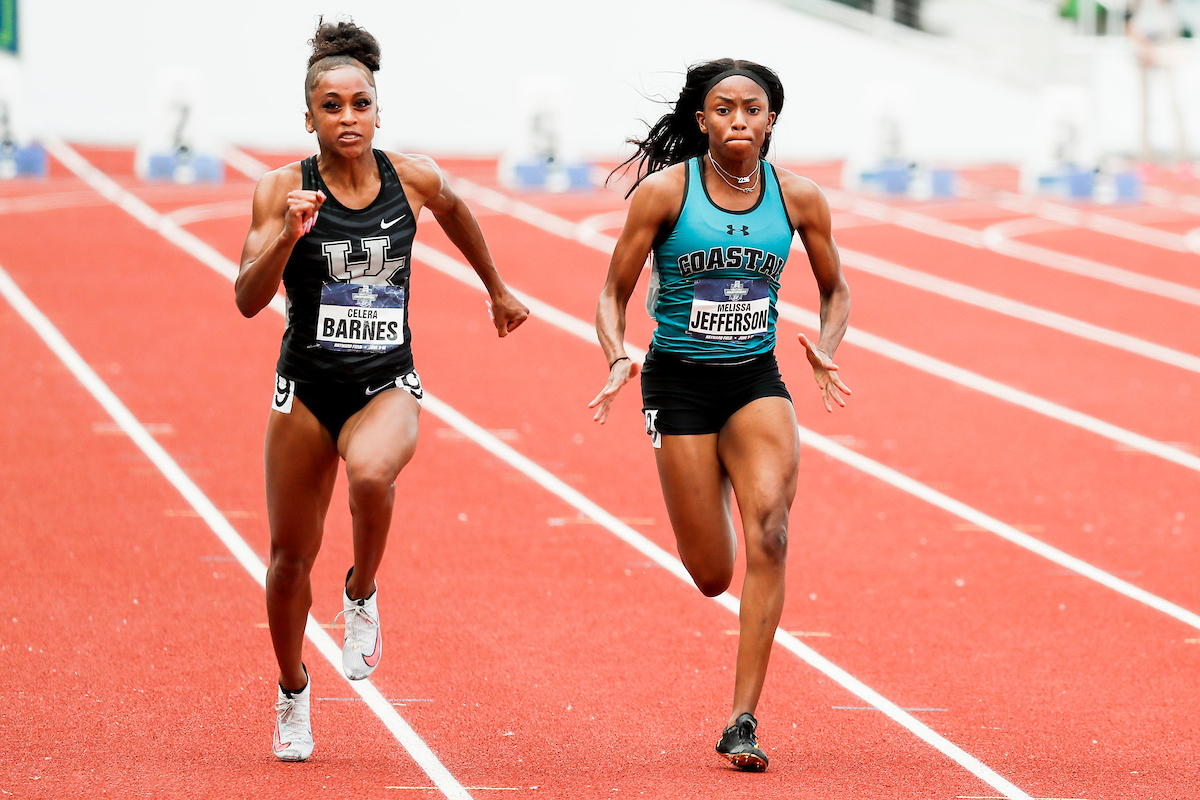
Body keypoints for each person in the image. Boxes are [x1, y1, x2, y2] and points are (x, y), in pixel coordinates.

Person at [235, 18, 528, 762]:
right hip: (303, 389)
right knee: (285, 563)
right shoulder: (282, 189)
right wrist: (284, 238)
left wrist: (495, 288)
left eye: (359, 104)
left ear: (377, 108)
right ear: (309, 118)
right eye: (330, 107)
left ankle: (362, 590)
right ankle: (293, 690)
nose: (347, 118)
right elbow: (245, 297)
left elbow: (457, 212)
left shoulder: (413, 178)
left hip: (384, 381)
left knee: (371, 473)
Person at [591, 59, 850, 772]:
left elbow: (837, 291)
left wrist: (825, 348)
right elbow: (612, 293)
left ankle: (743, 718)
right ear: (701, 120)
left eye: (753, 109)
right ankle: (712, 495)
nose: (740, 120)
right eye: (724, 109)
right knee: (711, 572)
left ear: (771, 120)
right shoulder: (664, 195)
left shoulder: (798, 199)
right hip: (677, 384)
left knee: (771, 529)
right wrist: (617, 355)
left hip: (755, 383)